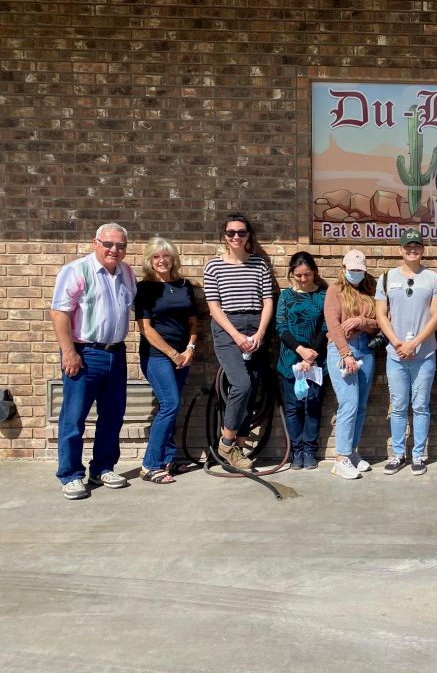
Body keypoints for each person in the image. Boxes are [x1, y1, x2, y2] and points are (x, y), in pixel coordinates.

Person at [51, 223, 137, 500]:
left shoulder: (126, 273)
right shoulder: (77, 271)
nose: (114, 250)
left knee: (112, 416)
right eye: (109, 244)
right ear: (95, 243)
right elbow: (60, 313)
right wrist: (69, 352)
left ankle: (102, 468)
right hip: (84, 354)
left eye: (120, 245)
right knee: (74, 418)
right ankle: (71, 475)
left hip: (116, 353)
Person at [203, 213, 274, 471]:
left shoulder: (259, 264)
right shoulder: (214, 267)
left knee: (252, 388)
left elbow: (268, 301)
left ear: (248, 235)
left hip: (256, 327)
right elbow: (214, 306)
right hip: (227, 329)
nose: (236, 237)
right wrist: (236, 336)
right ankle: (226, 442)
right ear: (224, 236)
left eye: (241, 232)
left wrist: (259, 334)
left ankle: (239, 450)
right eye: (231, 232)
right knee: (241, 385)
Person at [374, 228, 437, 476]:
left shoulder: (434, 280)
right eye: (407, 246)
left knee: (420, 406)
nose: (412, 249)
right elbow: (380, 314)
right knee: (398, 405)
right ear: (401, 250)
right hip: (396, 355)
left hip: (424, 353)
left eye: (416, 245)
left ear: (423, 249)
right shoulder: (386, 277)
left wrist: (415, 342)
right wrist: (396, 342)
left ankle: (418, 455)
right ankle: (397, 454)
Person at [136, 236, 199, 484]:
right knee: (170, 404)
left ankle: (168, 459)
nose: (162, 261)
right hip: (156, 357)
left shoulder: (184, 285)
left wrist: (190, 348)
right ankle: (150, 465)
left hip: (183, 356)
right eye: (156, 257)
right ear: (150, 261)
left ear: (174, 259)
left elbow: (194, 322)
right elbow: (146, 329)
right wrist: (173, 353)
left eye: (166, 256)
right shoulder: (144, 289)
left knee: (171, 406)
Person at [324, 249, 379, 480]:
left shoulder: (369, 290)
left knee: (360, 405)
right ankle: (341, 458)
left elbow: (379, 323)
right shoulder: (335, 290)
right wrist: (345, 354)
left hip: (366, 349)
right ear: (344, 269)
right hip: (342, 350)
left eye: (360, 270)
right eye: (353, 270)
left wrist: (362, 321)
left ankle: (353, 452)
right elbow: (334, 325)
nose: (356, 273)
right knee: (348, 403)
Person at [275, 252, 327, 470]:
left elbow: (326, 327)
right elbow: (281, 327)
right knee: (293, 408)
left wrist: (311, 353)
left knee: (313, 407)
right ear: (292, 274)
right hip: (289, 360)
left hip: (315, 361)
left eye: (307, 274)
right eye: (298, 275)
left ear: (314, 272)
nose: (303, 279)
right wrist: (300, 350)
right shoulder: (286, 296)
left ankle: (309, 450)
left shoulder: (324, 295)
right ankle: (296, 451)